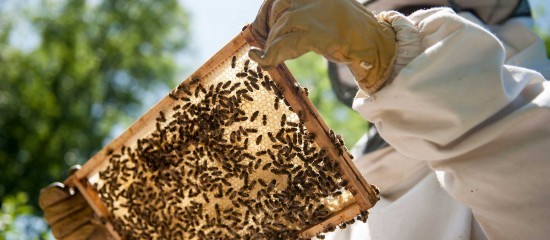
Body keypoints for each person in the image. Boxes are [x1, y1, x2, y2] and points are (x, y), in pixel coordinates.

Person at [40, 0, 550, 239]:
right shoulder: (341, 223)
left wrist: (389, 49)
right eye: (374, 16)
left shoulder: (524, 131)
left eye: (415, 15)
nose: (395, 24)